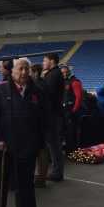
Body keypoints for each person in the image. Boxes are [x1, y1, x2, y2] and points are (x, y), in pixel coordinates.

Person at [0, 58, 46, 207]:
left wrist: (38, 145)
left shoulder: (37, 91)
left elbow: (43, 120)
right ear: (12, 71)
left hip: (28, 150)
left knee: (26, 189)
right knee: (0, 189)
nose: (24, 72)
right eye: (20, 68)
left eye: (27, 68)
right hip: (4, 149)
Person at [42, 53, 65, 181]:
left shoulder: (53, 75)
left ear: (51, 61)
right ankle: (57, 170)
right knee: (53, 144)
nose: (43, 63)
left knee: (54, 145)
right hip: (54, 114)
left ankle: (57, 172)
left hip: (52, 115)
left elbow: (47, 95)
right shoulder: (54, 74)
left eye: (44, 60)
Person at [30, 64, 49, 188]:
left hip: (37, 122)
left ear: (35, 72)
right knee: (42, 148)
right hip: (43, 120)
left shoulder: (36, 85)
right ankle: (41, 177)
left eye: (30, 71)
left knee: (39, 150)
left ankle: (40, 177)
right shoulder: (44, 83)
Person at [60, 65, 83, 154]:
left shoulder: (75, 82)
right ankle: (69, 150)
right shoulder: (63, 82)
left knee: (71, 132)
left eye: (66, 72)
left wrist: (74, 110)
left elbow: (79, 97)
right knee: (66, 132)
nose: (64, 74)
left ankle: (72, 151)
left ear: (69, 72)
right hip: (64, 111)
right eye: (62, 73)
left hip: (71, 111)